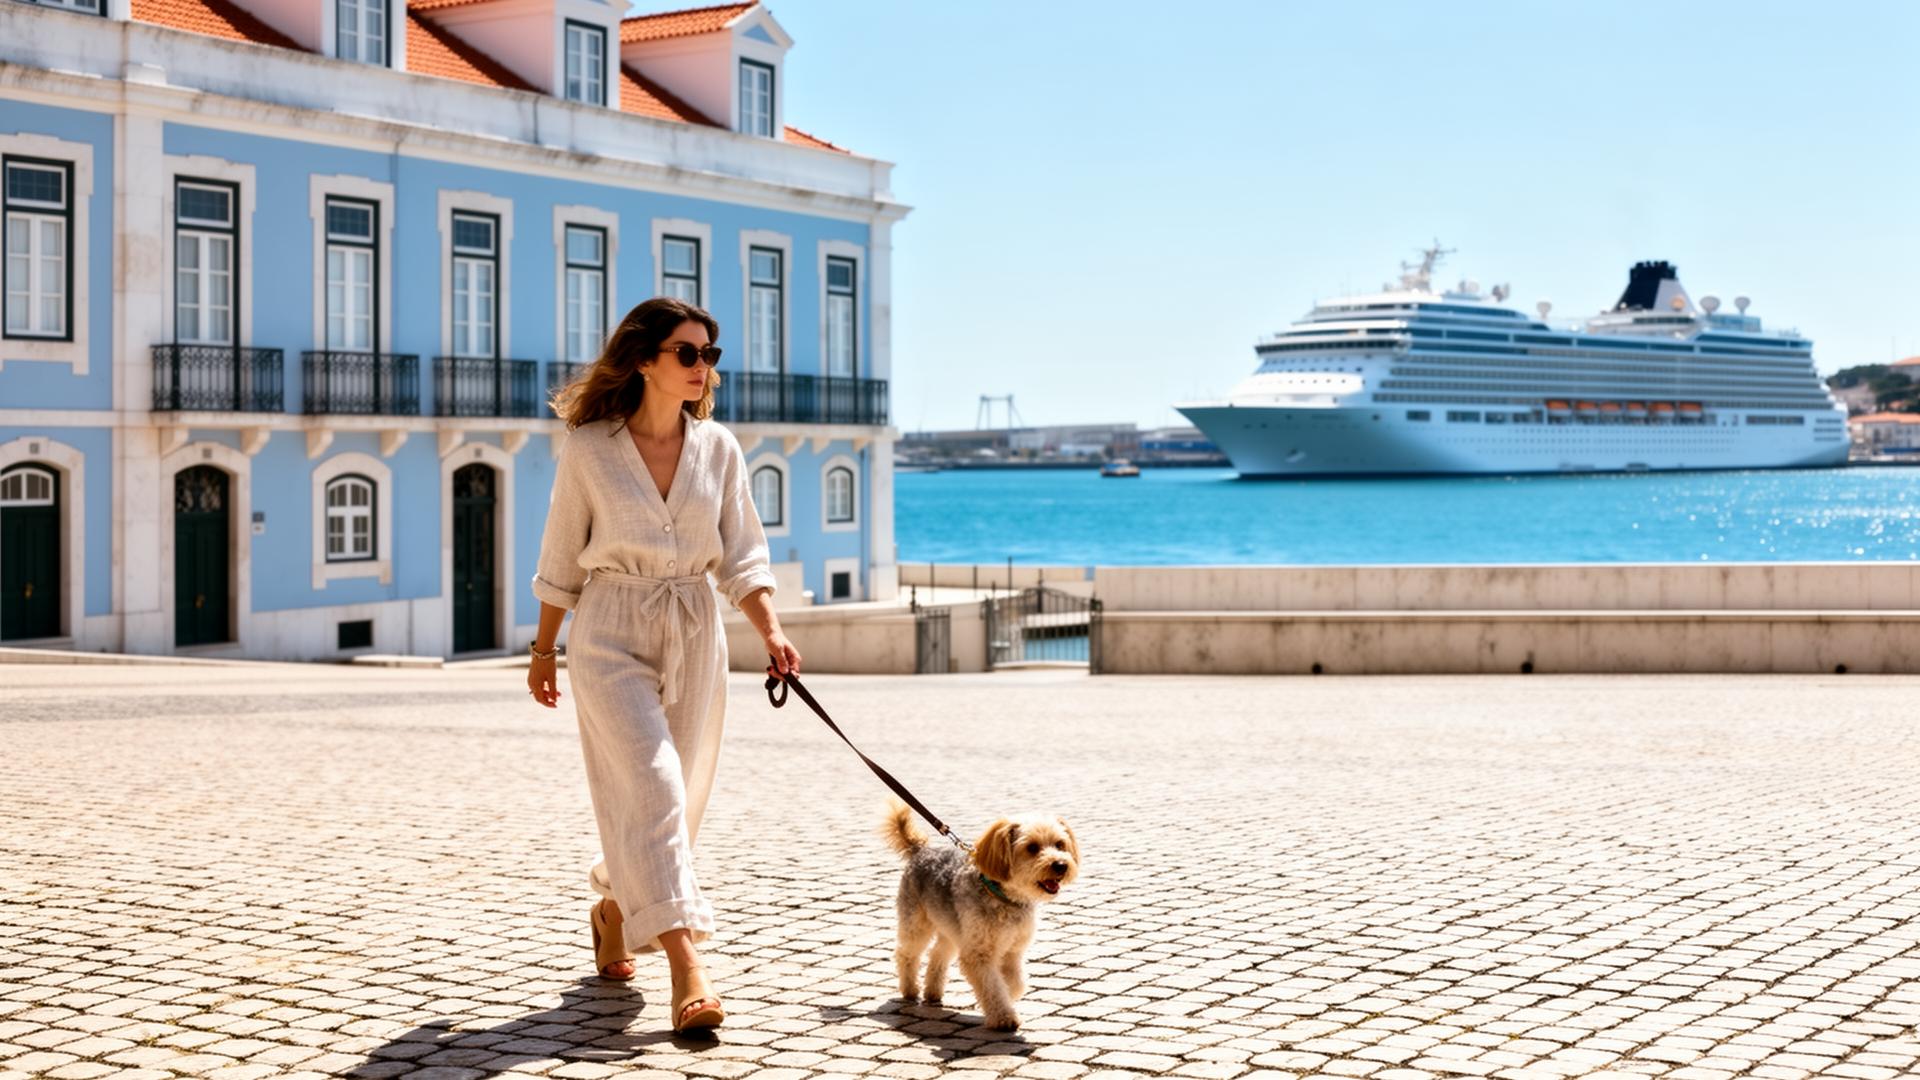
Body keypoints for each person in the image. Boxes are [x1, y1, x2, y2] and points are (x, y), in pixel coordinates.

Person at [526, 296, 802, 1034]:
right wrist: (544, 649)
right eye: (688, 352)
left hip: (694, 629)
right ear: (644, 358)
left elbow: (744, 553)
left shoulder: (720, 448)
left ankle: (617, 904)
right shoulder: (588, 448)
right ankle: (688, 965)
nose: (702, 367)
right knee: (652, 785)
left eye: (710, 355)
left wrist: (771, 632)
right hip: (610, 627)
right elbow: (560, 556)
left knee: (679, 795)